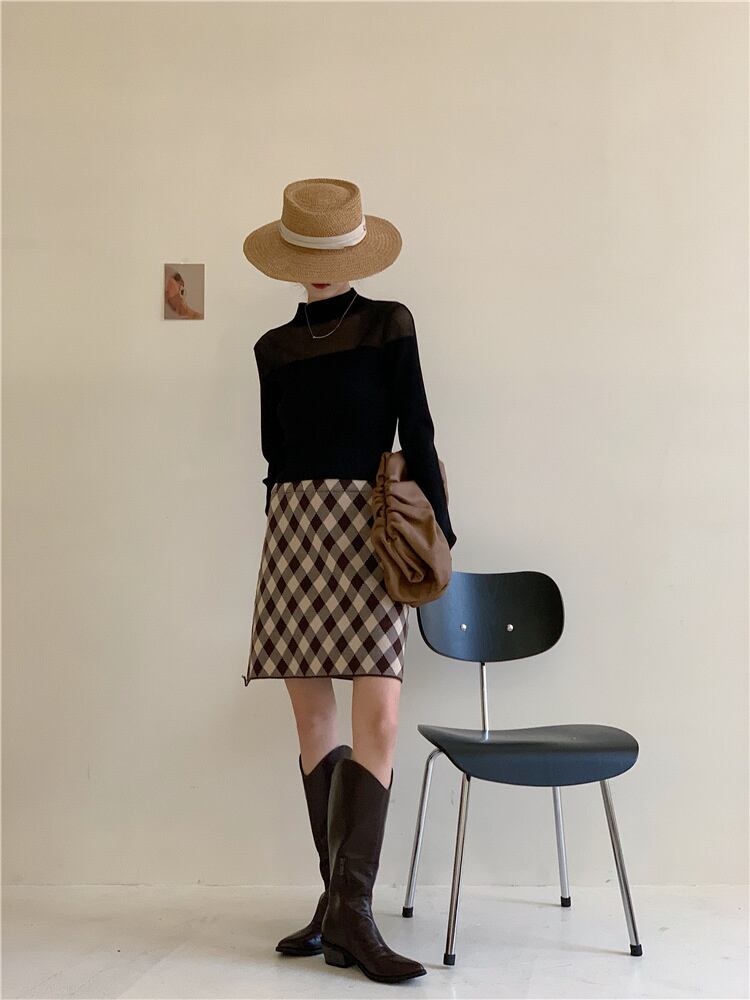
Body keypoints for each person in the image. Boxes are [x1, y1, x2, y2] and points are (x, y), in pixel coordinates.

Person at [241, 177, 457, 984]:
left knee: (381, 716)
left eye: (331, 250)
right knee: (312, 724)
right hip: (295, 532)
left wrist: (438, 534)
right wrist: (282, 531)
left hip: (369, 532)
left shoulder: (388, 325)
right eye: (307, 252)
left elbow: (419, 430)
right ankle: (339, 906)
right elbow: (275, 454)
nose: (320, 265)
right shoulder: (272, 348)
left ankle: (352, 911)